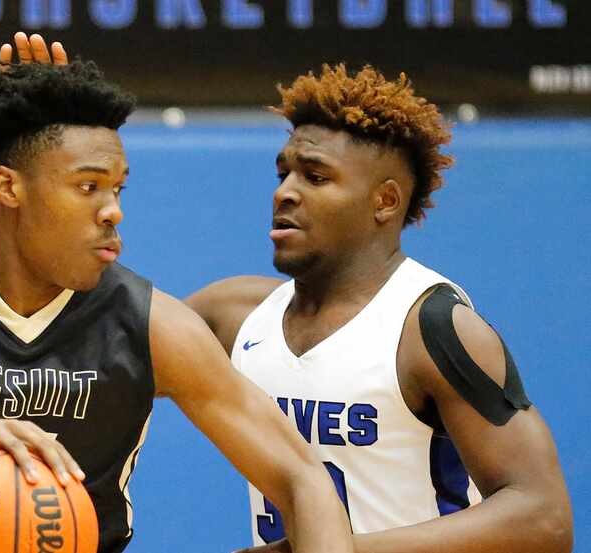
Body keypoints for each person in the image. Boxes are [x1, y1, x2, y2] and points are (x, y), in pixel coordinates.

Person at [0, 36, 353, 553]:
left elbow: (302, 480)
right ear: (9, 187)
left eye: (118, 187)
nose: (113, 210)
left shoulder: (153, 326)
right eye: (87, 186)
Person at [185, 64, 574, 553]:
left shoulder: (432, 327)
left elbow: (545, 517)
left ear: (385, 201)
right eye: (284, 172)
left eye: (315, 176)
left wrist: (332, 549)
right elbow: (95, 348)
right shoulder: (233, 315)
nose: (285, 191)